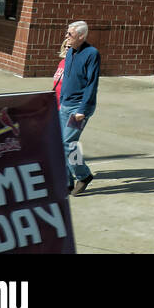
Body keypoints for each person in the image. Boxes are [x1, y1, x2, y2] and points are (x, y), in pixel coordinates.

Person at [59, 20, 100, 195]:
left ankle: (83, 176)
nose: (66, 37)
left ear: (81, 36)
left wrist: (82, 110)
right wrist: (60, 101)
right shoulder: (70, 52)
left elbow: (92, 84)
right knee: (62, 144)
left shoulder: (92, 54)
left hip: (78, 108)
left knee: (68, 143)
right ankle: (66, 182)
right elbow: (66, 79)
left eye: (70, 34)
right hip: (65, 105)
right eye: (67, 33)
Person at [52, 32, 71, 106]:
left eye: (69, 47)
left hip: (66, 104)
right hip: (56, 102)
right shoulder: (62, 62)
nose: (66, 48)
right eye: (65, 46)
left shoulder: (76, 64)